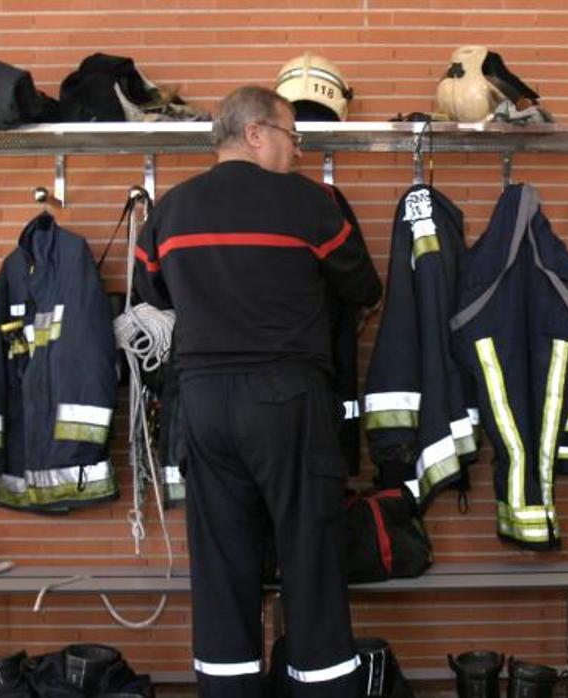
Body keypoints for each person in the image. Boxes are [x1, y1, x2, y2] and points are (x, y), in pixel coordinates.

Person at [133, 85, 382, 697]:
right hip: (286, 399)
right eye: (292, 135)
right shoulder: (310, 204)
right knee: (311, 563)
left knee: (221, 570)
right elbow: (363, 286)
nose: (297, 149)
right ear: (254, 132)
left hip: (203, 405)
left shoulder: (168, 211)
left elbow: (151, 301)